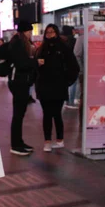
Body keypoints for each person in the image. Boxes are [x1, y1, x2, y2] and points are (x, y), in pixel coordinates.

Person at [35, 24, 79, 152]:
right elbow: (35, 67)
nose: (49, 35)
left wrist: (67, 81)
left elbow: (74, 67)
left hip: (58, 86)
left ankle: (60, 140)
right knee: (47, 114)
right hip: (44, 86)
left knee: (56, 114)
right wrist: (37, 64)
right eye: (47, 33)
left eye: (52, 32)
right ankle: (47, 141)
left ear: (56, 33)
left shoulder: (64, 48)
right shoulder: (41, 49)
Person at [8, 20, 36, 156]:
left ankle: (19, 142)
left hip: (21, 82)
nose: (31, 34)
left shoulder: (21, 43)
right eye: (30, 32)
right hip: (19, 83)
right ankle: (16, 145)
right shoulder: (19, 44)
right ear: (25, 32)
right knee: (18, 115)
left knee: (20, 114)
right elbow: (22, 64)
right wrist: (36, 62)